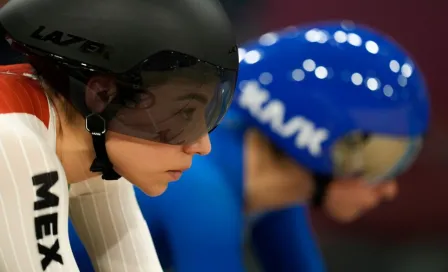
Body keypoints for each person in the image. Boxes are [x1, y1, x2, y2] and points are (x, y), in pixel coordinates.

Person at [68, 21, 430, 272]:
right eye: (380, 159)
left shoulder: (272, 193)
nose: (389, 188)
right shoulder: (203, 191)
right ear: (312, 137)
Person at [0, 0, 238, 271]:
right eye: (183, 113)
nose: (203, 146)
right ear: (102, 96)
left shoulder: (95, 139)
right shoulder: (11, 137)